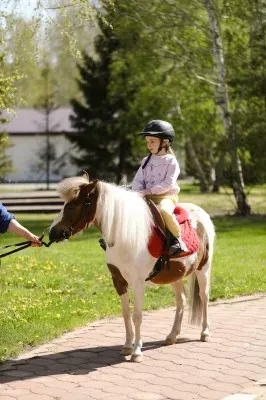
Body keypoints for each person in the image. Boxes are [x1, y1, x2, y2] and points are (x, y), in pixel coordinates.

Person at [132, 119, 187, 256]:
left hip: (166, 196)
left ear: (165, 142)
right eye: (147, 142)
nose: (148, 145)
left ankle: (177, 239)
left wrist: (148, 191)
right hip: (146, 196)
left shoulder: (171, 161)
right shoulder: (146, 161)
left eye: (152, 141)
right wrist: (137, 192)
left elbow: (168, 183)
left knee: (164, 211)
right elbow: (138, 179)